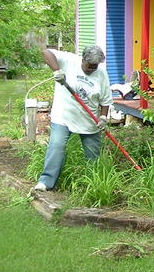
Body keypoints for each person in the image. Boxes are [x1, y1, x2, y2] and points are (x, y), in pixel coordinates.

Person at [33, 45, 113, 191]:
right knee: (56, 146)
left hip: (89, 120)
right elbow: (45, 52)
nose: (92, 69)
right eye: (90, 66)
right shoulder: (69, 60)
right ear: (83, 59)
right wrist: (57, 70)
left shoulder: (101, 73)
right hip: (63, 115)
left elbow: (106, 99)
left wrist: (103, 117)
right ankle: (45, 182)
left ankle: (93, 187)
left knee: (93, 156)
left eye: (95, 66)